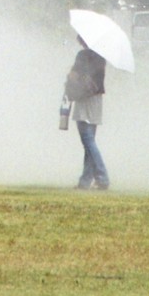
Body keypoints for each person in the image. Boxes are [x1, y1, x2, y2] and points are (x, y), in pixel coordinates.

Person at [65, 36, 109, 190]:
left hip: (84, 99)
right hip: (97, 99)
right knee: (90, 141)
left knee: (87, 140)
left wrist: (69, 77)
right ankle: (85, 181)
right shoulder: (102, 56)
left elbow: (74, 75)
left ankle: (103, 177)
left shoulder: (82, 55)